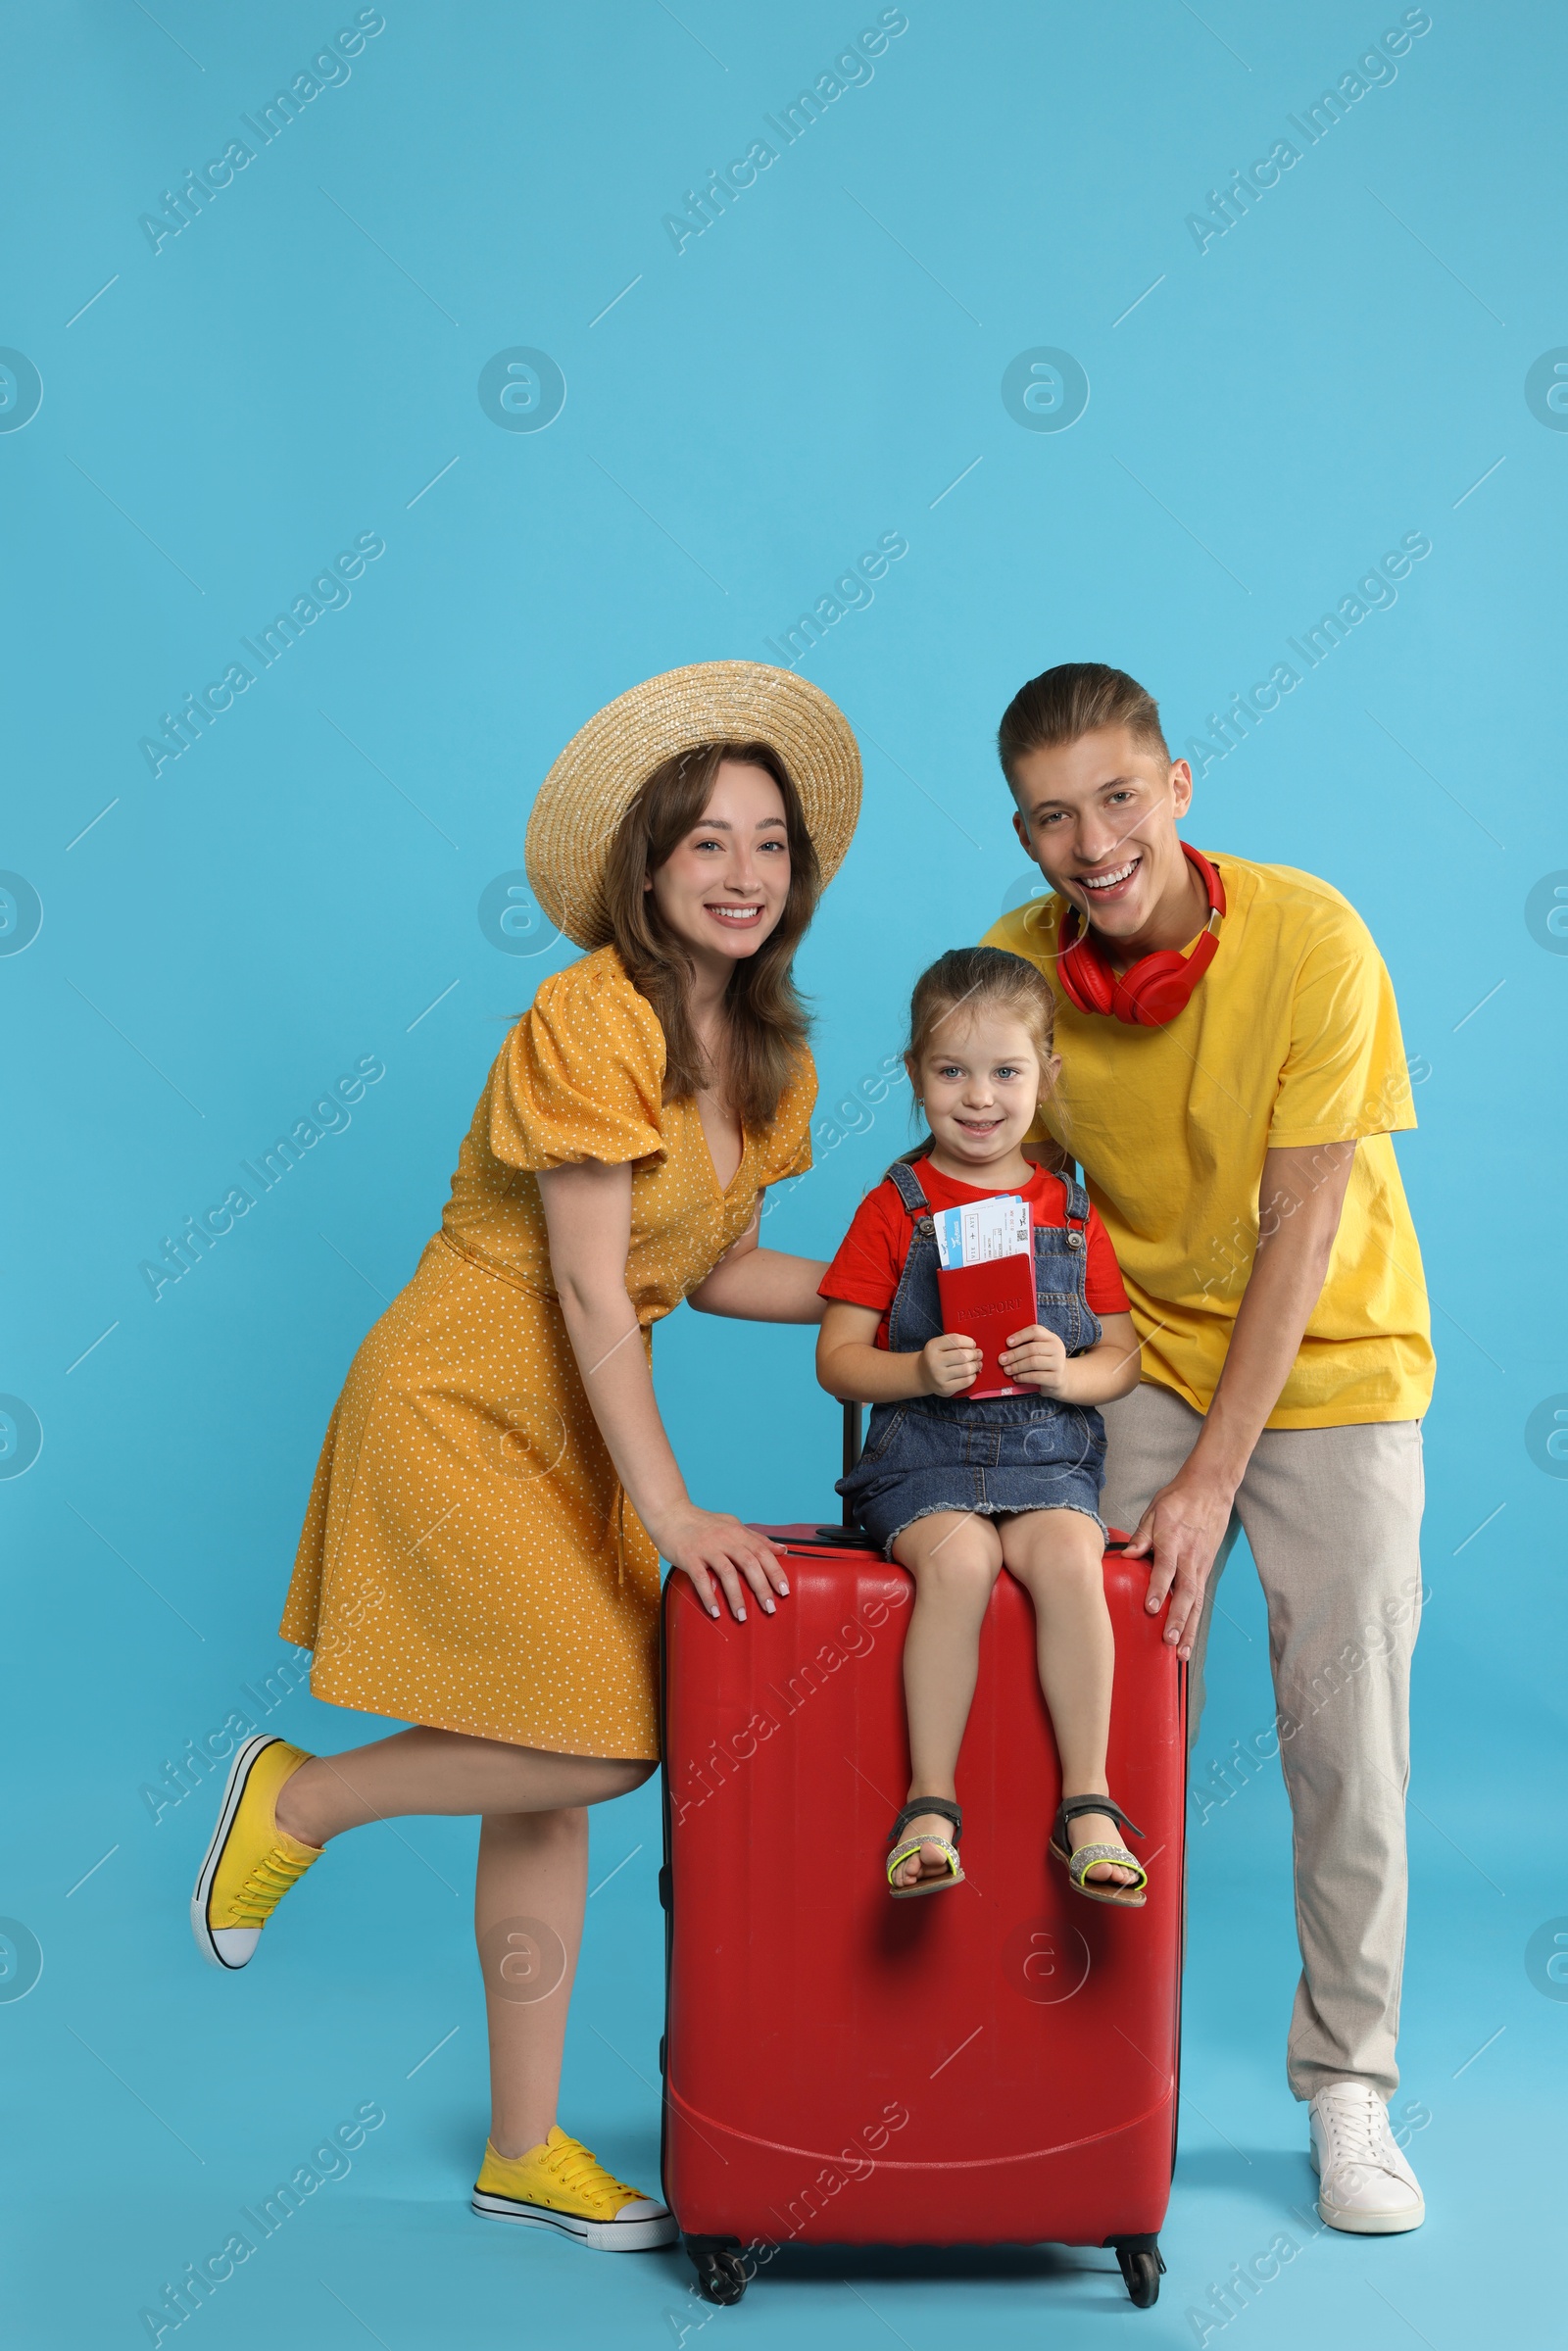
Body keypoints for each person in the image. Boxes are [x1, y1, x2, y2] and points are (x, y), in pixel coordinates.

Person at [190, 661, 859, 2252]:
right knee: (605, 1739)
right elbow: (579, 1278)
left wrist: (886, 1281)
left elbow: (709, 1271)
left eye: (769, 841)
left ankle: (522, 2143)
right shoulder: (590, 1014)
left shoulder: (773, 1059)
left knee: (547, 1777)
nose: (745, 871)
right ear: (646, 863)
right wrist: (674, 1504)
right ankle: (301, 1795)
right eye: (708, 841)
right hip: (465, 1390)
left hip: (584, 1412)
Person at [982, 661, 1433, 2235]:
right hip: (1142, 1358)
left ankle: (1349, 2083)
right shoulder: (1020, 968)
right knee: (1060, 1678)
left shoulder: (1312, 935)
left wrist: (1210, 1478)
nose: (1090, 839)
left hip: (1332, 1364)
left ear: (1180, 784)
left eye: (1117, 795)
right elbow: (1002, 1189)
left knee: (1345, 1732)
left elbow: (1304, 1220)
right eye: (1051, 814)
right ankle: (1058, 2060)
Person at [815, 947, 1146, 1904]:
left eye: (1005, 1070)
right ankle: (928, 1802)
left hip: (1047, 1451)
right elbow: (836, 1357)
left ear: (1045, 1074)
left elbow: (1122, 1358)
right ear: (915, 1075)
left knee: (1067, 1560)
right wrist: (914, 1366)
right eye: (950, 1070)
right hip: (925, 1456)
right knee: (958, 1564)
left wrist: (1073, 1373)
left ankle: (1087, 1798)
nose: (979, 1096)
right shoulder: (893, 1206)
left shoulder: (1073, 1213)